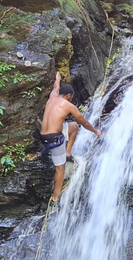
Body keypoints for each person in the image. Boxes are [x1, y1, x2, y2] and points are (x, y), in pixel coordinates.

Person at [38, 72, 101, 202]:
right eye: (70, 97)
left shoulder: (52, 96)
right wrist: (95, 131)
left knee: (73, 127)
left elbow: (56, 86)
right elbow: (83, 122)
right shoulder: (68, 105)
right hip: (54, 139)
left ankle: (68, 154)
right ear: (68, 96)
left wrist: (57, 78)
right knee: (60, 169)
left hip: (43, 136)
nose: (71, 99)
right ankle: (55, 197)